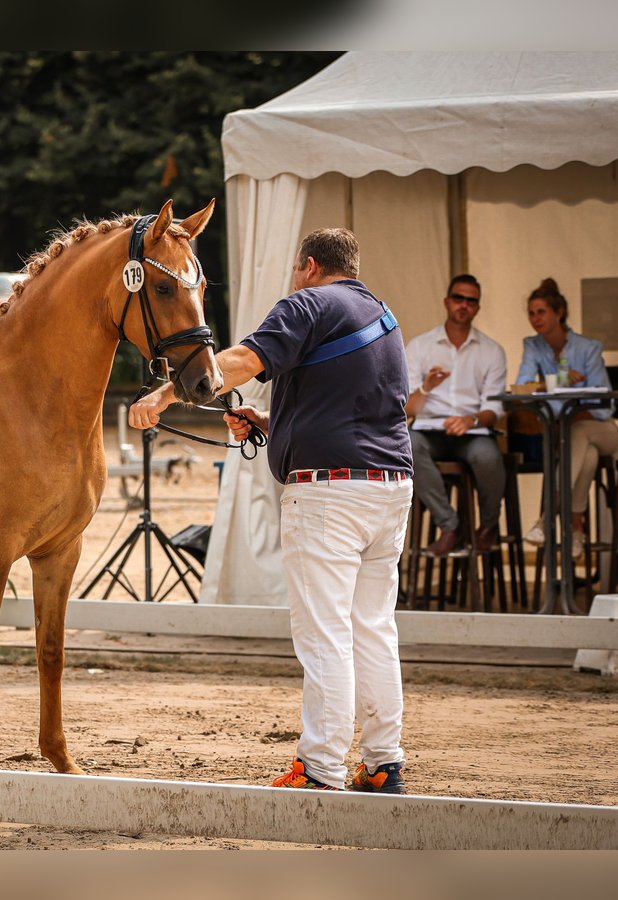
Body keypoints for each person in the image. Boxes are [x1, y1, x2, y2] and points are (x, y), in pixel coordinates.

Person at [129, 227, 413, 793]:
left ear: (310, 265)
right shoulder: (382, 316)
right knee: (373, 630)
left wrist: (166, 394)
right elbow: (349, 406)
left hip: (328, 493)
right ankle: (383, 762)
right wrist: (269, 424)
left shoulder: (306, 303)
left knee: (324, 634)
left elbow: (240, 361)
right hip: (389, 487)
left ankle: (322, 767)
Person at [404, 275, 507, 557]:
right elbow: (406, 409)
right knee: (407, 445)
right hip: (428, 431)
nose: (463, 305)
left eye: (471, 300)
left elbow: (494, 409)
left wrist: (470, 419)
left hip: (472, 433)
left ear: (478, 307)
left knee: (488, 457)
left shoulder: (492, 351)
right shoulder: (420, 346)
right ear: (447, 302)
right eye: (458, 298)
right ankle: (450, 526)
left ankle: (487, 528)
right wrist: (427, 386)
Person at [517, 277, 618, 557]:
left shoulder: (588, 348)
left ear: (558, 312)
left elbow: (603, 407)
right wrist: (558, 381)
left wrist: (570, 407)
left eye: (541, 312)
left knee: (580, 432)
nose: (535, 319)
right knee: (586, 457)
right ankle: (576, 529)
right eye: (531, 313)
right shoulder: (533, 345)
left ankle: (546, 519)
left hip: (603, 430)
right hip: (568, 437)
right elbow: (522, 387)